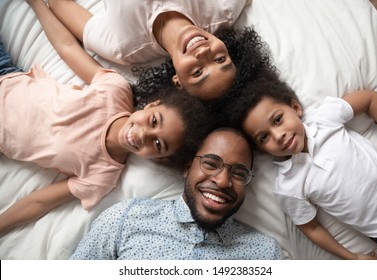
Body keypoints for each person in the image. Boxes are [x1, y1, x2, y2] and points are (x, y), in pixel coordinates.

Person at [0, 0, 216, 235]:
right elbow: (67, 48)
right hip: (6, 77)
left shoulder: (101, 176)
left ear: (159, 159)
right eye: (154, 121)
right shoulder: (115, 91)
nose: (143, 134)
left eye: (157, 144)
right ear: (152, 105)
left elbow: (38, 202)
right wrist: (37, 4)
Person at [227, 73, 377, 259]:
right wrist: (352, 257)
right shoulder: (288, 187)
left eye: (278, 120)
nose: (278, 135)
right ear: (261, 149)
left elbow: (370, 99)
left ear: (295, 107)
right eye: (264, 137)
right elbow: (311, 228)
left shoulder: (324, 119)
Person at [70, 127, 284, 260]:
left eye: (239, 173)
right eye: (211, 163)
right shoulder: (125, 220)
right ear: (187, 167)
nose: (222, 181)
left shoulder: (266, 255)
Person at [47, 0, 266, 101]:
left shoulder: (124, 47)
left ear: (178, 80)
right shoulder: (224, 7)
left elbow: (59, 5)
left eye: (198, 72)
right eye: (220, 59)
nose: (202, 54)